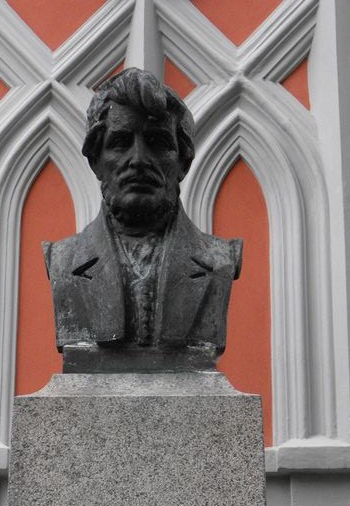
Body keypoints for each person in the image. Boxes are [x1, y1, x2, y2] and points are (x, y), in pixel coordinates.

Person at [43, 68, 242, 372]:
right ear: (96, 161)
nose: (138, 159)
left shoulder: (219, 260)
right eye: (121, 142)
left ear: (182, 162)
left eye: (157, 142)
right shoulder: (63, 259)